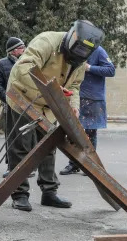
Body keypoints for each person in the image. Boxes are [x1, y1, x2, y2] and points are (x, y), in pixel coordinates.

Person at [6, 20, 104, 212]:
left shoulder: (81, 57)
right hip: (24, 97)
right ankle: (19, 194)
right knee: (21, 147)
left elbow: (74, 86)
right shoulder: (46, 41)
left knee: (48, 147)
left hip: (50, 105)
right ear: (71, 38)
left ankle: (49, 192)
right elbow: (23, 68)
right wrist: (51, 87)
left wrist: (74, 107)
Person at [60, 45, 115, 175]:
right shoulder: (76, 49)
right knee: (73, 131)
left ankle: (90, 164)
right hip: (75, 96)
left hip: (93, 98)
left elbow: (111, 70)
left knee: (90, 132)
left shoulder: (99, 51)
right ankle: (74, 164)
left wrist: (89, 68)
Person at [0, 36, 27, 178]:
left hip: (28, 107)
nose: (24, 50)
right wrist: (8, 98)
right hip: (11, 108)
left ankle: (27, 166)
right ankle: (11, 167)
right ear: (13, 51)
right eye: (21, 48)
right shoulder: (2, 64)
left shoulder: (27, 63)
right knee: (12, 138)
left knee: (26, 138)